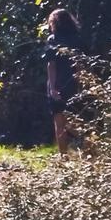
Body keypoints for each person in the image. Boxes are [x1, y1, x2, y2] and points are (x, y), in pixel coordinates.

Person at [44, 8, 83, 154]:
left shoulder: (53, 40)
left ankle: (63, 156)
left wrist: (53, 88)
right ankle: (89, 149)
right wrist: (80, 83)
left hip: (58, 83)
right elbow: (79, 64)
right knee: (76, 119)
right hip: (73, 83)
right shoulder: (77, 38)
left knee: (60, 122)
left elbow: (51, 65)